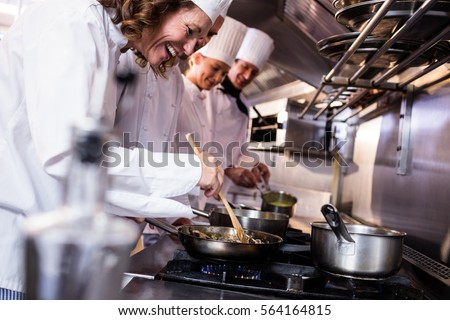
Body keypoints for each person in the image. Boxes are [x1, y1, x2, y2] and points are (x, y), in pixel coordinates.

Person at [0, 0, 229, 299]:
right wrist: (192, 172)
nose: (189, 49)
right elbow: (69, 154)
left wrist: (142, 202)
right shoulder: (73, 19)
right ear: (158, 4)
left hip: (55, 253)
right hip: (18, 251)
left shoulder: (106, 37)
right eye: (189, 30)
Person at [176, 16, 248, 209]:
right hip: (170, 203)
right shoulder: (177, 91)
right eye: (215, 68)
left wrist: (225, 168)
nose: (218, 78)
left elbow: (202, 151)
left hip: (189, 205)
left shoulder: (201, 100)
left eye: (224, 73)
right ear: (197, 58)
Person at [202, 28, 275, 208]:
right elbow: (200, 141)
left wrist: (252, 164)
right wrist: (229, 169)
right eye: (245, 67)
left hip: (218, 194)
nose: (248, 75)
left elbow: (238, 148)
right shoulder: (205, 92)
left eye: (254, 72)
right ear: (233, 63)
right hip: (194, 186)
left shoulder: (244, 104)